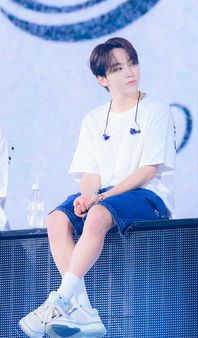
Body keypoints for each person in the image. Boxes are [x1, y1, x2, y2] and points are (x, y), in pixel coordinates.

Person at [19, 37, 176, 338]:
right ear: (102, 79)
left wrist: (100, 198)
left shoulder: (156, 109)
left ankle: (59, 300)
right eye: (118, 68)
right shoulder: (93, 119)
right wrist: (87, 195)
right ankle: (85, 311)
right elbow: (89, 172)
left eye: (132, 63)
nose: (130, 72)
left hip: (148, 194)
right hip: (104, 194)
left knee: (99, 214)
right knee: (56, 219)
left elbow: (147, 170)